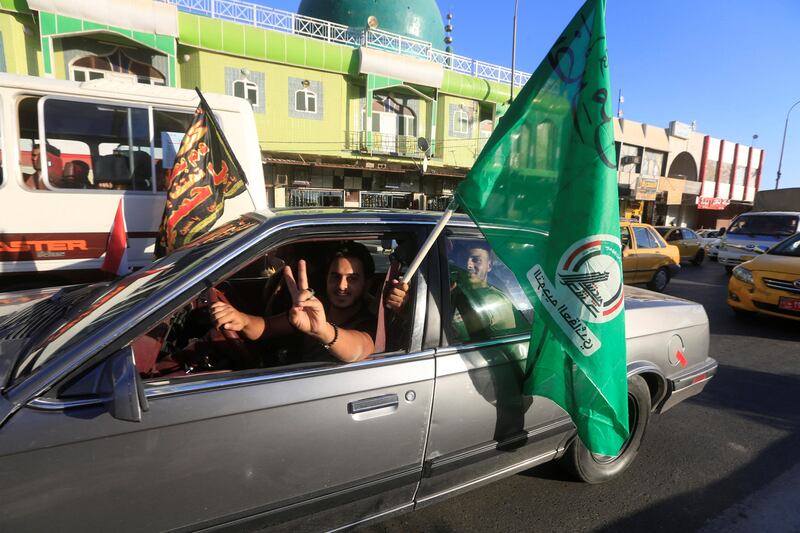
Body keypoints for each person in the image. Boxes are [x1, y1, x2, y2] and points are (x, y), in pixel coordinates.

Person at [211, 242, 376, 364]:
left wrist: (322, 330)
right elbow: (267, 327)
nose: (341, 285)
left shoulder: (368, 323)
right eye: (335, 276)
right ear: (326, 279)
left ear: (367, 284)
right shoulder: (312, 310)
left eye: (352, 279)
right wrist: (241, 319)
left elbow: (357, 349)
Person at [385, 240, 520, 340]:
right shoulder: (456, 288)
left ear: (489, 265)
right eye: (463, 258)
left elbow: (441, 331)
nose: (468, 264)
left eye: (476, 260)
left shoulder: (493, 300)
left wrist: (409, 310)